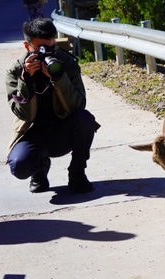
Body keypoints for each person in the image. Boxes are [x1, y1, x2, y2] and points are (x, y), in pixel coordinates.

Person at [5, 18, 97, 194]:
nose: (47, 52)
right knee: (19, 166)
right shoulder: (15, 71)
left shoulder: (67, 64)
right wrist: (26, 80)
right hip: (33, 132)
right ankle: (39, 169)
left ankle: (77, 173)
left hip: (63, 130)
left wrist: (59, 78)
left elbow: (78, 106)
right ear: (27, 46)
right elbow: (23, 114)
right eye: (41, 48)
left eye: (51, 47)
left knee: (85, 119)